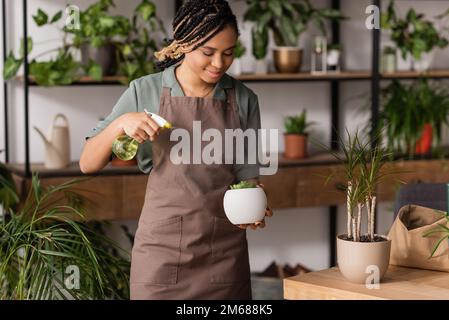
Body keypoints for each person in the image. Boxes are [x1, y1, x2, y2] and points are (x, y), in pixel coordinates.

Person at [79, 0, 273, 300]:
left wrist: (256, 207)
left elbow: (247, 178)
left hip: (223, 256)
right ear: (183, 45)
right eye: (208, 53)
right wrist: (122, 122)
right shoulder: (146, 91)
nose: (219, 64)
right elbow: (87, 163)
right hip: (161, 255)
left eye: (229, 53)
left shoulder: (244, 100)